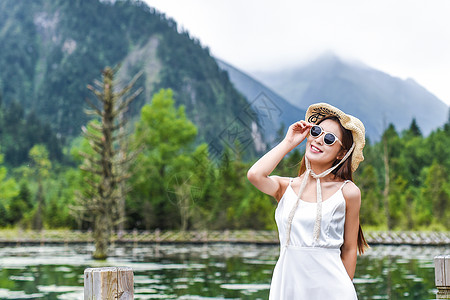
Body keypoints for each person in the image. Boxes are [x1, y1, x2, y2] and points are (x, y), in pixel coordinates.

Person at [247, 103, 368, 299]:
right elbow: (255, 175)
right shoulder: (285, 187)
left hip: (333, 290)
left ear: (340, 153)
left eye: (329, 139)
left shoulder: (348, 192)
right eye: (317, 131)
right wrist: (289, 141)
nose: (319, 139)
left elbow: (349, 248)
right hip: (288, 288)